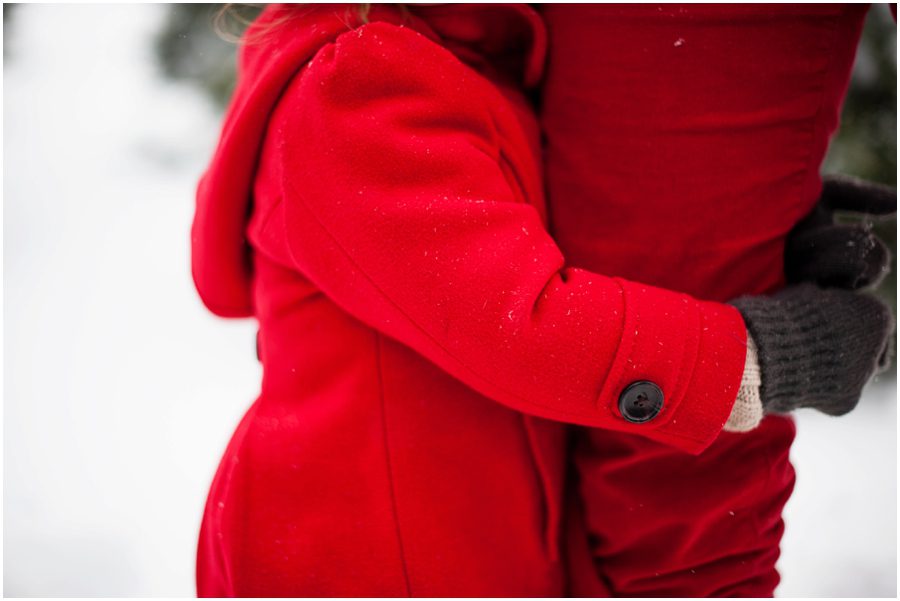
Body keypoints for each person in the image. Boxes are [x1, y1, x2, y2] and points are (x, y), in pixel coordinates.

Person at [190, 3, 893, 596]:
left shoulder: (478, 68)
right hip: (359, 564)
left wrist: (756, 232)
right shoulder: (355, 80)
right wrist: (756, 356)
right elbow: (520, 324)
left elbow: (514, 252)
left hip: (470, 545)